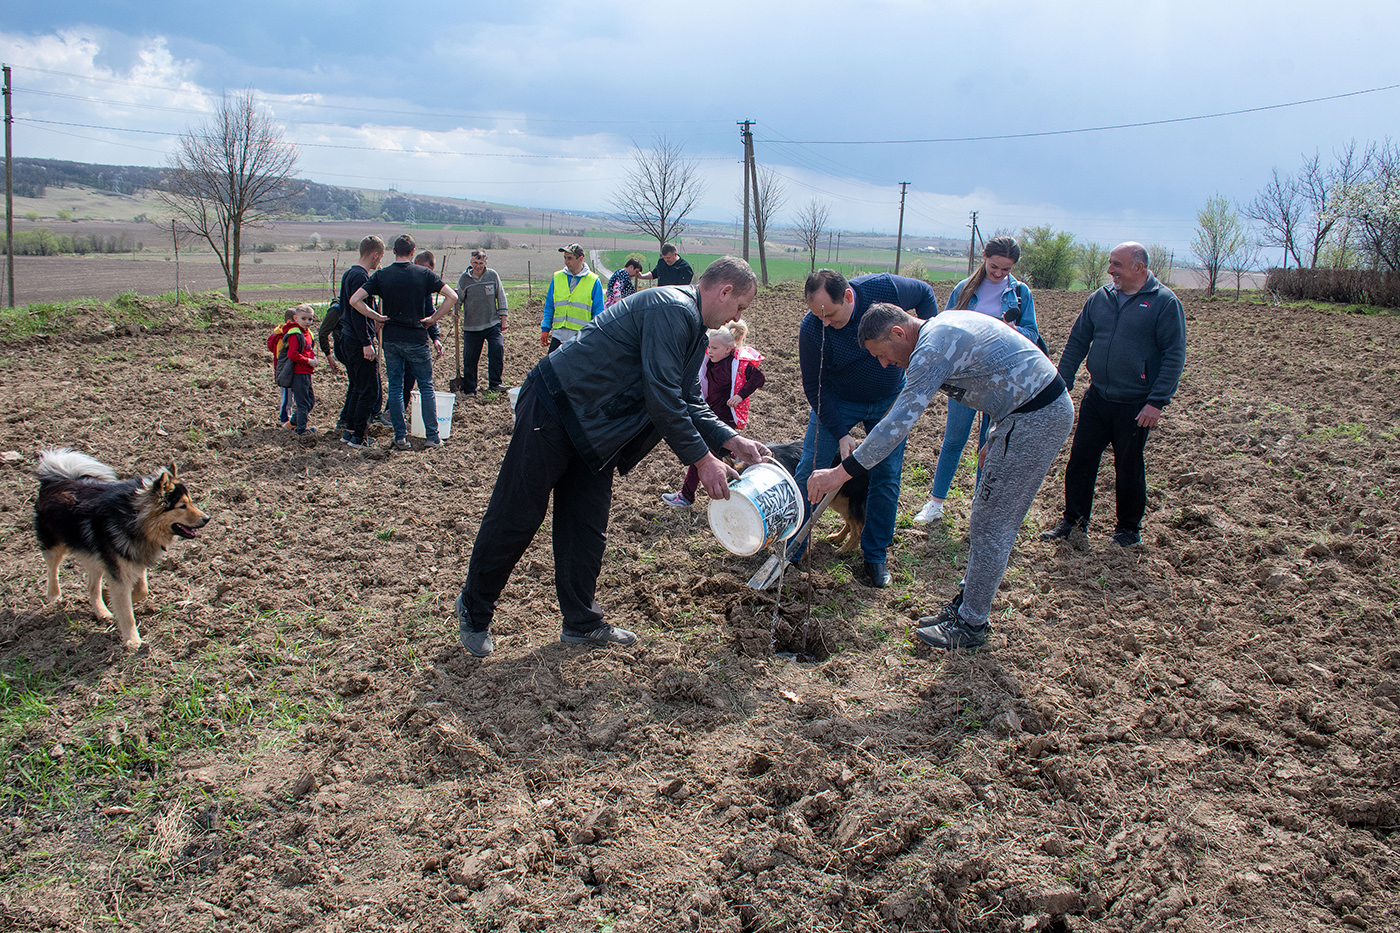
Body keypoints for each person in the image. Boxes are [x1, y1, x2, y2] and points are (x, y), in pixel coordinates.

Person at [454, 256, 772, 658]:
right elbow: (662, 397)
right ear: (725, 291)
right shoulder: (671, 309)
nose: (735, 318)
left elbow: (688, 398)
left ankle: (581, 622)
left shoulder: (692, 328)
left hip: (599, 428)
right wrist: (702, 460)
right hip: (557, 407)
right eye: (740, 307)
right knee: (518, 511)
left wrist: (731, 441)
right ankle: (474, 608)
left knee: (586, 525)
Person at [808, 303, 1073, 650]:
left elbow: (896, 426)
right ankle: (966, 605)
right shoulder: (941, 329)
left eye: (883, 354)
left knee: (993, 524)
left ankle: (971, 624)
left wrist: (840, 474)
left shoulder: (932, 349)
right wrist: (997, 432)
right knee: (983, 517)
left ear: (899, 333)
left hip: (1035, 420)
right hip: (1018, 417)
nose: (885, 364)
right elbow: (1004, 370)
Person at [794, 269, 940, 588]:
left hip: (889, 398)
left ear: (848, 296)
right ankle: (795, 548)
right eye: (819, 317)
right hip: (839, 402)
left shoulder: (882, 288)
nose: (826, 324)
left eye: (831, 316)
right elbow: (813, 386)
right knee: (810, 467)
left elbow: (925, 293)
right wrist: (841, 433)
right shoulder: (812, 328)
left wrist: (932, 349)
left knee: (886, 474)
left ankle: (874, 556)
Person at [1041, 242, 1187, 548]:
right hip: (1098, 397)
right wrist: (1060, 384)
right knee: (1081, 459)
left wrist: (1156, 401)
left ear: (1139, 267)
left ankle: (1127, 530)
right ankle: (1074, 522)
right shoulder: (1101, 298)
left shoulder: (1163, 303)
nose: (1110, 270)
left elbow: (1174, 355)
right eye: (1110, 264)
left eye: (1117, 265)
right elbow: (1078, 341)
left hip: (1135, 403)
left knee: (1128, 466)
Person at [916, 235, 1043, 524]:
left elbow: (1032, 335)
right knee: (954, 439)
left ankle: (979, 506)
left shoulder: (1021, 294)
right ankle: (935, 503)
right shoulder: (964, 289)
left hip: (1000, 382)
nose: (998, 273)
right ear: (984, 256)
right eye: (994, 266)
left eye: (1006, 270)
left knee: (990, 443)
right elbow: (944, 327)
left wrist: (1010, 330)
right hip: (964, 378)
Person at [349, 234, 457, 451]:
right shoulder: (424, 274)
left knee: (396, 388)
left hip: (392, 339)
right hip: (416, 338)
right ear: (413, 251)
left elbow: (354, 300)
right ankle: (433, 437)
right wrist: (433, 319)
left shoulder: (381, 275)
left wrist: (376, 317)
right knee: (426, 387)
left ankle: (400, 437)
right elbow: (452, 296)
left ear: (393, 251)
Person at [661, 319, 766, 508]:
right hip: (709, 416)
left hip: (724, 420)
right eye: (708, 347)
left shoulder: (737, 364)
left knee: (702, 458)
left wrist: (739, 396)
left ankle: (687, 496)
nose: (709, 351)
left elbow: (759, 378)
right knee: (713, 456)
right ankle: (736, 480)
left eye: (714, 348)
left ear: (728, 349)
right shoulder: (709, 362)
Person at [339, 236, 386, 448]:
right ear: (375, 254)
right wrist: (367, 342)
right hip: (358, 340)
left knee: (358, 386)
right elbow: (356, 313)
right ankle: (359, 436)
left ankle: (349, 431)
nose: (379, 263)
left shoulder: (350, 273)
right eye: (380, 257)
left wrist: (374, 318)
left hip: (348, 338)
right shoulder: (360, 277)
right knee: (370, 390)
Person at [456, 248, 510, 394]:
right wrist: (455, 312)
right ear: (470, 262)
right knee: (470, 358)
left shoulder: (492, 275)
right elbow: (458, 299)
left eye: (480, 262)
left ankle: (495, 384)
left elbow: (501, 296)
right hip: (471, 326)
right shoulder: (464, 279)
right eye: (475, 262)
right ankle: (470, 388)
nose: (478, 266)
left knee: (497, 349)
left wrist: (503, 318)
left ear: (486, 262)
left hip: (492, 323)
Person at [405, 249, 447, 415]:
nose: (426, 274)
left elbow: (429, 312)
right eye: (424, 269)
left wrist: (435, 338)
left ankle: (398, 411)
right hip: (398, 337)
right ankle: (390, 412)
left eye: (429, 272)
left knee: (409, 378)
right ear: (415, 263)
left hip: (417, 338)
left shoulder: (424, 286)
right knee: (398, 380)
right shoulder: (399, 280)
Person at [541, 243, 603, 351]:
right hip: (558, 335)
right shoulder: (557, 277)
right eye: (565, 258)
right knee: (550, 367)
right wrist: (545, 328)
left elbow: (598, 312)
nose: (566, 262)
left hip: (580, 337)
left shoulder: (594, 281)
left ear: (580, 259)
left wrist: (594, 336)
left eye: (570, 258)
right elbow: (550, 305)